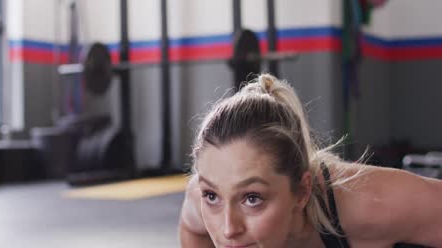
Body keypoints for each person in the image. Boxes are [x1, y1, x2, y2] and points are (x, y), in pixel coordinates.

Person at [178, 73, 442, 248]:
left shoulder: (370, 204)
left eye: (252, 198)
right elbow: (192, 227)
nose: (227, 229)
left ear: (302, 191)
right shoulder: (198, 201)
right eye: (212, 196)